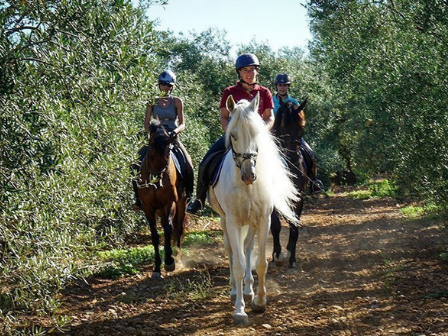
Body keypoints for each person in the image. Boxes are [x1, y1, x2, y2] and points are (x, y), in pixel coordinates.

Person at [186, 53, 275, 214]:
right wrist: (231, 133)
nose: (249, 73)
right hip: (234, 136)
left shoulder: (264, 92)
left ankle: (278, 198)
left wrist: (261, 132)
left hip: (256, 138)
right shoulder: (230, 92)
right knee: (206, 161)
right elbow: (223, 117)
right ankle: (199, 200)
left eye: (252, 69)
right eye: (245, 70)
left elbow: (270, 117)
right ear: (239, 73)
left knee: (280, 162)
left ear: (257, 71)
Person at [132, 70, 194, 210]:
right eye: (163, 84)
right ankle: (137, 197)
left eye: (169, 85)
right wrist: (154, 133)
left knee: (188, 163)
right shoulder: (152, 102)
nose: (166, 88)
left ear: (172, 87)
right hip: (156, 139)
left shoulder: (177, 101)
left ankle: (189, 196)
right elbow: (146, 124)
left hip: (172, 138)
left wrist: (175, 131)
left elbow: (183, 123)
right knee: (135, 163)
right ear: (158, 85)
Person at [273, 73, 324, 193]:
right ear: (276, 86)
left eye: (285, 85)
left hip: (293, 136)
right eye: (280, 85)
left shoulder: (294, 101)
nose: (282, 88)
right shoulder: (271, 101)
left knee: (310, 154)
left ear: (288, 86)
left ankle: (313, 182)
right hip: (275, 136)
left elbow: (301, 120)